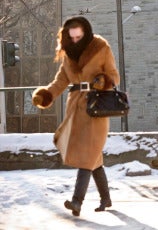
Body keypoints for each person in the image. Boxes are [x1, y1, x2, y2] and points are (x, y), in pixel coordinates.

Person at [32, 16, 120, 216]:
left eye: (79, 36)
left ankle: (76, 201)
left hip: (96, 106)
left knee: (87, 155)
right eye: (71, 38)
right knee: (93, 157)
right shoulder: (68, 54)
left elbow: (114, 76)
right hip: (76, 108)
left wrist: (102, 81)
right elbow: (61, 80)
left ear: (86, 33)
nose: (75, 41)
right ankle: (106, 198)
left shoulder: (101, 47)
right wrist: (47, 94)